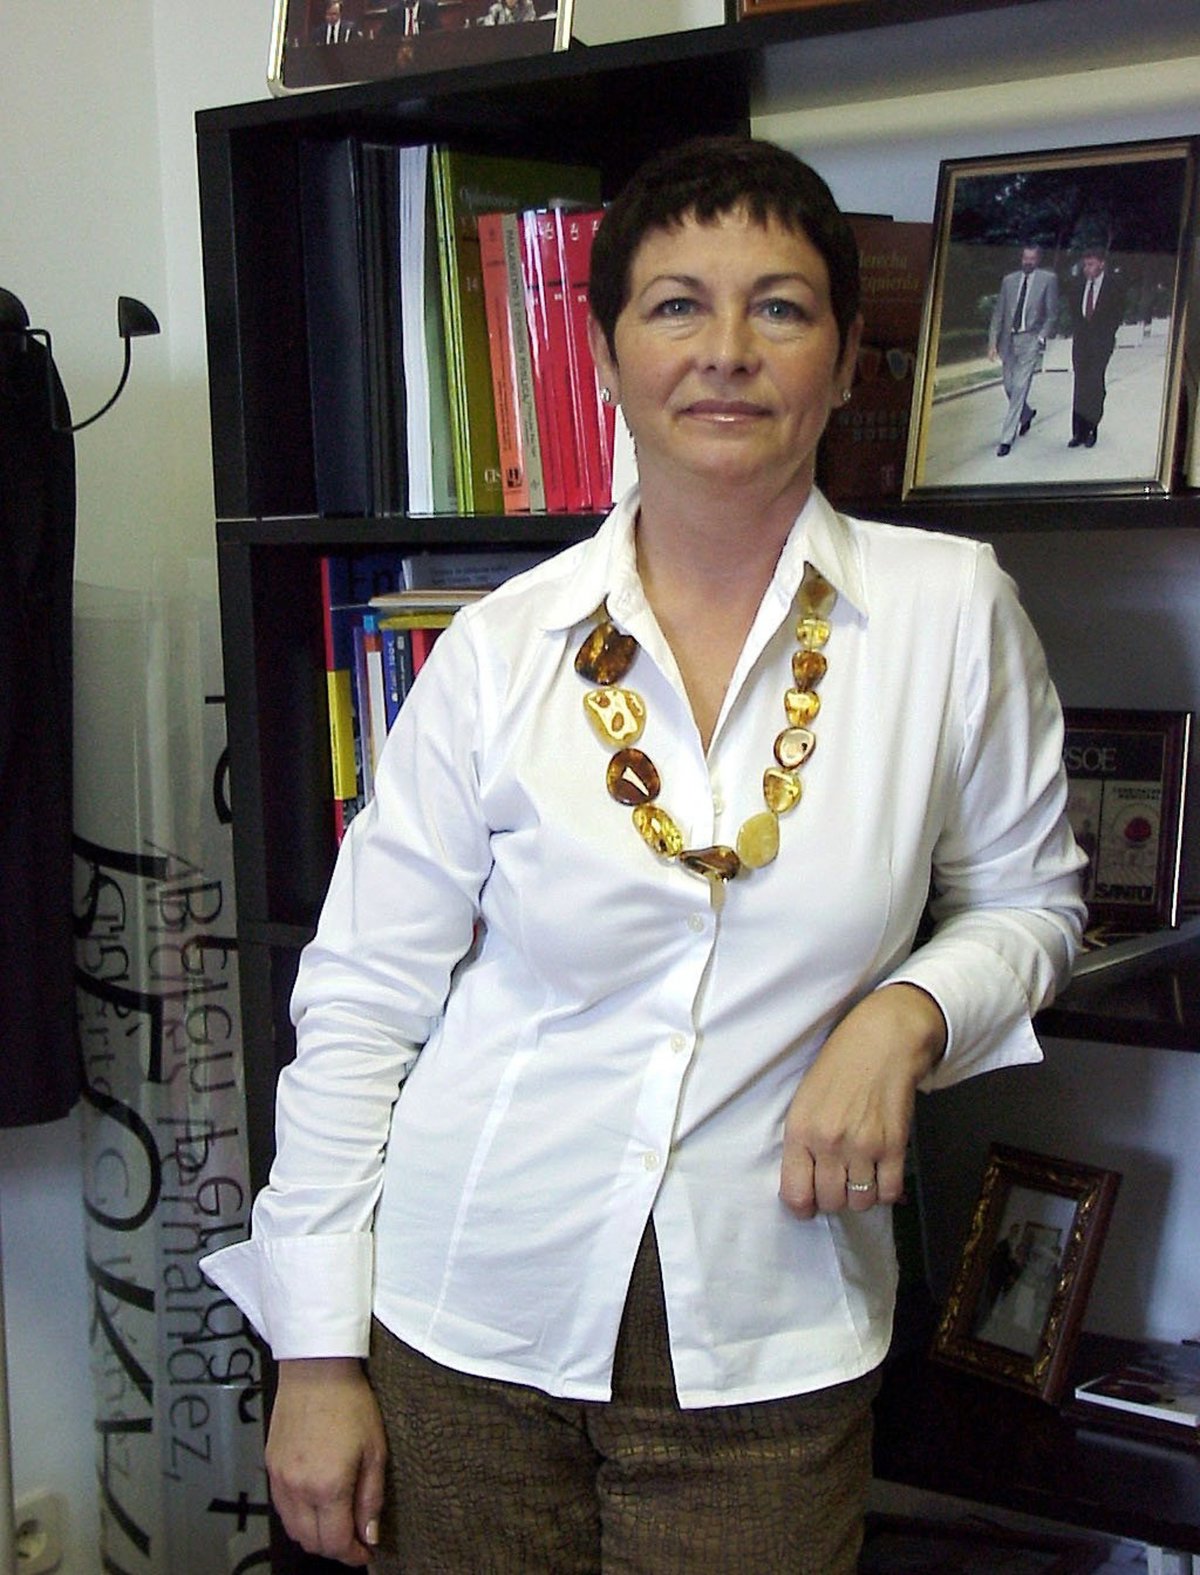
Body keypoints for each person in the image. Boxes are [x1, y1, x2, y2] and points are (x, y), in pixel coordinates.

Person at [202, 135, 1085, 1572]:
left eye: (779, 307)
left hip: (771, 1340)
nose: (726, 351)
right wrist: (313, 1354)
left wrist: (908, 1011)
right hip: (464, 1320)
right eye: (677, 306)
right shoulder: (499, 649)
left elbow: (1032, 902)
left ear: (845, 363)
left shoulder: (951, 613)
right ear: (609, 359)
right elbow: (362, 998)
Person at [987, 242, 1060, 456]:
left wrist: (1041, 338)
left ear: (1038, 260)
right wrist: (992, 343)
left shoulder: (1048, 280)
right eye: (1025, 258)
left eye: (1032, 259)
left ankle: (1006, 439)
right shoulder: (1009, 281)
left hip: (1030, 339)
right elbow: (999, 313)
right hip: (1008, 341)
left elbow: (1052, 314)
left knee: (1019, 387)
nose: (1027, 262)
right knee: (1009, 386)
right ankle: (1026, 414)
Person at [1068, 244, 1125, 448]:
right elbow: (1074, 310)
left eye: (1091, 264)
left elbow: (1118, 313)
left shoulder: (1113, 285)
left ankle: (1092, 427)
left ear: (1102, 264)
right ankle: (1078, 431)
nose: (1087, 269)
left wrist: (1106, 334)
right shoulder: (1078, 284)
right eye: (1085, 265)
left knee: (1094, 383)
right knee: (1080, 384)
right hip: (1081, 343)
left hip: (1101, 343)